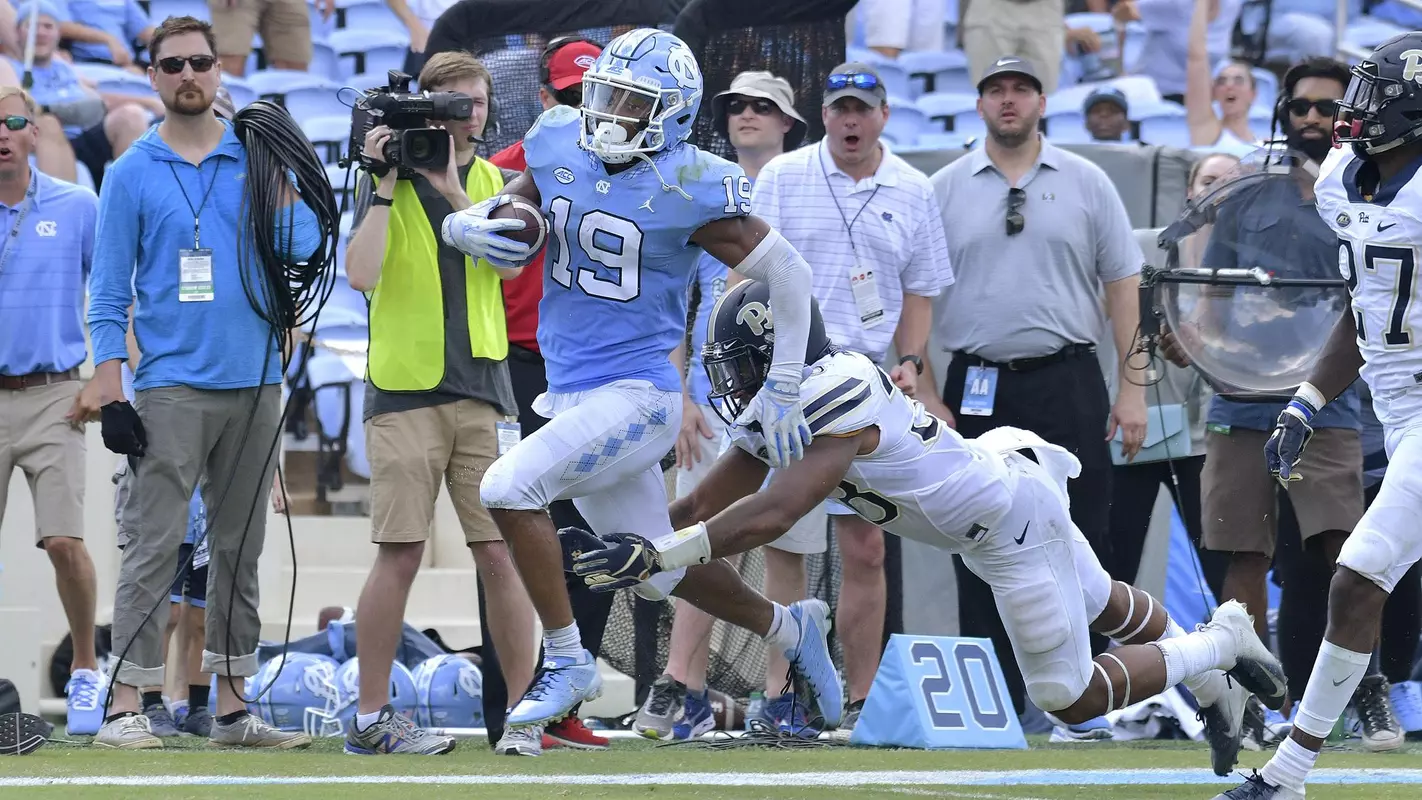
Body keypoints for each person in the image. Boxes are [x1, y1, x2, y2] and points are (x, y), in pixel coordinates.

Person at [569, 280, 1285, 761]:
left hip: (1007, 526)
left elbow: (775, 512)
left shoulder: (834, 389)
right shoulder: (788, 405)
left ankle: (1218, 644)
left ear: (784, 352)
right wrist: (633, 543)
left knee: (1066, 697)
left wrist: (661, 558)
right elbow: (701, 505)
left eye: (746, 365)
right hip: (1002, 485)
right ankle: (1217, 686)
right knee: (1099, 602)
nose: (737, 386)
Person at [442, 27, 823, 732]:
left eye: (630, 101)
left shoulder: (690, 183)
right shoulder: (560, 137)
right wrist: (472, 222)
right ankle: (793, 631)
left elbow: (790, 271)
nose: (609, 113)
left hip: (641, 395)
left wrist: (785, 383)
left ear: (673, 113)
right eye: (606, 95)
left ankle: (566, 659)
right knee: (660, 569)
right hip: (571, 390)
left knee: (506, 486)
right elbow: (526, 205)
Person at [77, 15, 320, 750]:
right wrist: (111, 386)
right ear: (152, 77)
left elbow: (306, 248)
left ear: (220, 71)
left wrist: (276, 178)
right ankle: (128, 705)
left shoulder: (256, 160)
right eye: (173, 64)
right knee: (153, 547)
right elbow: (107, 292)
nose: (188, 75)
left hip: (255, 379)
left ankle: (233, 708)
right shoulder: (130, 173)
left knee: (240, 550)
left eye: (200, 62)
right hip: (172, 385)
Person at [1213, 32, 1422, 799]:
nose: (1353, 111)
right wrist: (1306, 400)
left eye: (1374, 94)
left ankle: (1288, 775)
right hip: (1395, 407)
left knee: (1357, 576)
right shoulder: (1341, 180)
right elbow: (1363, 316)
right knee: (1360, 581)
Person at [930, 54, 1148, 741]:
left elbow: (1123, 287)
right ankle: (990, 703)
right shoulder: (943, 187)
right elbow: (913, 290)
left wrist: (1133, 389)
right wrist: (928, 389)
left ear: (1043, 100)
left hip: (1068, 375)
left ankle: (1083, 704)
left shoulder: (1086, 182)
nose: (1008, 101)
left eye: (1020, 88)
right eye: (995, 90)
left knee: (1085, 532)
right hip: (977, 383)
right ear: (980, 104)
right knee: (973, 533)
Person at [743, 60, 954, 731]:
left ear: (884, 115)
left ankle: (863, 701)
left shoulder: (915, 189)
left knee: (867, 546)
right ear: (823, 116)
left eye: (862, 109)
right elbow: (745, 275)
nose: (851, 120)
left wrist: (914, 360)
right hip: (793, 376)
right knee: (786, 541)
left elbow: (920, 290)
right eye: (840, 109)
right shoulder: (783, 176)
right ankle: (784, 696)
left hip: (870, 386)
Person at [342, 50, 534, 757]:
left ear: (488, 111)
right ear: (423, 109)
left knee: (502, 555)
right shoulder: (385, 185)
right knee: (400, 552)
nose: (463, 115)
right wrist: (388, 184)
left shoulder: (492, 184)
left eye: (473, 103)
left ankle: (522, 716)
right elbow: (360, 276)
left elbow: (508, 257)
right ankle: (369, 718)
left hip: (483, 391)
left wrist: (450, 187)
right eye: (448, 103)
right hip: (405, 392)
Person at [634, 68, 814, 740]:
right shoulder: (694, 195)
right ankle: (683, 686)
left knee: (787, 547)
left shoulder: (799, 190)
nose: (746, 115)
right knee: (696, 544)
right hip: (712, 406)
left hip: (789, 402)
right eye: (735, 105)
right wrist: (680, 399)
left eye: (762, 106)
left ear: (788, 122)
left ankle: (782, 696)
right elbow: (675, 312)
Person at [482, 34, 612, 756]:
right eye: (569, 97)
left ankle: (562, 701)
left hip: (594, 374)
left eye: (595, 100)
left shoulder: (628, 181)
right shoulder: (501, 174)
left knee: (589, 537)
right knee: (510, 527)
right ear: (543, 100)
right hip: (519, 367)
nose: (584, 112)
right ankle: (509, 706)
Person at [0, 84, 105, 738]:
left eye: (13, 120)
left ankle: (88, 665)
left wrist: (108, 378)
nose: (2, 133)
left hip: (53, 392)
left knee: (64, 541)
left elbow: (116, 288)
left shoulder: (77, 206)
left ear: (35, 131)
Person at [7, 1, 155, 190]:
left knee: (131, 115)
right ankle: (60, 214)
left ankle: (131, 207)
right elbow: (15, 110)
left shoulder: (66, 68)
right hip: (42, 141)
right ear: (18, 32)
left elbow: (97, 103)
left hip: (82, 138)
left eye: (48, 26)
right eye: (32, 26)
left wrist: (149, 102)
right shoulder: (9, 66)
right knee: (47, 122)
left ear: (58, 34)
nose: (41, 32)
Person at [1185, 0, 1259, 154]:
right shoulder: (1206, 131)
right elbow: (1196, 58)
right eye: (1221, 81)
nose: (1229, 86)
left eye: (1238, 80)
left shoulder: (1264, 145)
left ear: (1253, 94)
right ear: (1214, 94)